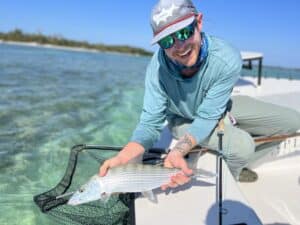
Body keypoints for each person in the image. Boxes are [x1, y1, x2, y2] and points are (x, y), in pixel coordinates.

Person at [99, 0, 300, 188]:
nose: (179, 46)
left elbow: (209, 114)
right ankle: (231, 175)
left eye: (185, 32)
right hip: (181, 119)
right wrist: (125, 156)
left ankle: (242, 161)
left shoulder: (226, 58)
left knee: (294, 121)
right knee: (243, 145)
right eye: (167, 40)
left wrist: (179, 150)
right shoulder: (157, 68)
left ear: (199, 22)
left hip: (220, 108)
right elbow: (150, 122)